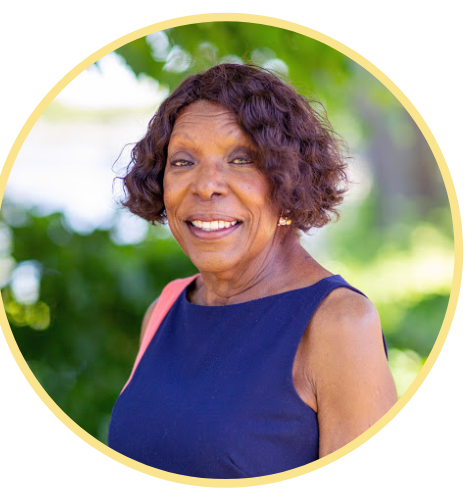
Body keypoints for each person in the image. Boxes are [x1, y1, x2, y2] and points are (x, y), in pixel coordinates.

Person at [108, 63, 397, 478]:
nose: (206, 185)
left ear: (289, 177)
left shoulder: (338, 323)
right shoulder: (164, 309)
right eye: (183, 161)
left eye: (241, 159)